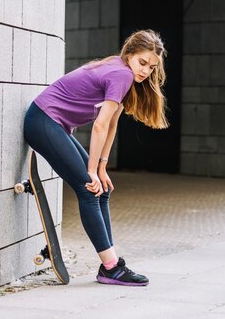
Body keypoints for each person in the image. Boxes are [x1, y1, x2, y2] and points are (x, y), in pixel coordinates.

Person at [23, 29, 168, 286]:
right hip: (43, 121)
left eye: (151, 67)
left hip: (51, 123)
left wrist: (101, 168)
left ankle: (110, 263)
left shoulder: (123, 73)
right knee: (89, 189)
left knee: (102, 190)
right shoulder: (122, 74)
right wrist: (91, 172)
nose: (146, 71)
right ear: (130, 55)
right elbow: (99, 126)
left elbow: (111, 125)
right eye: (142, 63)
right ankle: (111, 267)